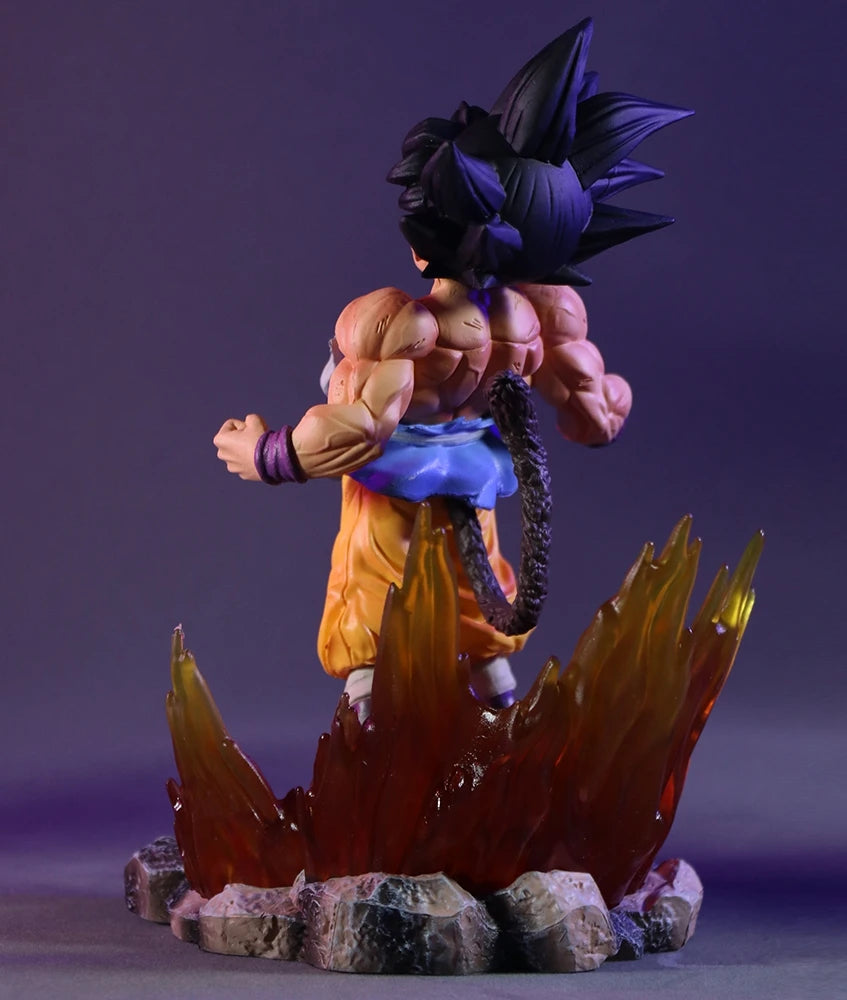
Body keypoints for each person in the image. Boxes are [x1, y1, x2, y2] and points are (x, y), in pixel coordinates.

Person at [213, 18, 691, 721]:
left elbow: (360, 429)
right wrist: (599, 408)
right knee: (480, 597)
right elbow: (592, 409)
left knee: (374, 601)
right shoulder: (541, 317)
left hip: (392, 489)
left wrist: (264, 453)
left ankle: (385, 711)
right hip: (473, 477)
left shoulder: (405, 326)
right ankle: (490, 696)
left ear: (426, 237)